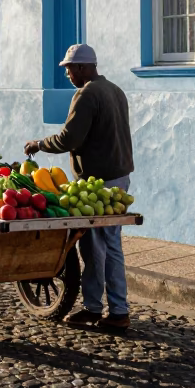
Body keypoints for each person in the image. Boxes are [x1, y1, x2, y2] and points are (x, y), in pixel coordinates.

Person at [25, 43, 134, 331]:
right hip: (119, 178)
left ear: (84, 67)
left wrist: (38, 144)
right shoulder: (115, 90)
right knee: (109, 244)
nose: (68, 75)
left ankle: (98, 309)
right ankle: (112, 308)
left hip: (99, 183)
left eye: (70, 69)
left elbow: (68, 139)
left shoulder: (86, 95)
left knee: (97, 246)